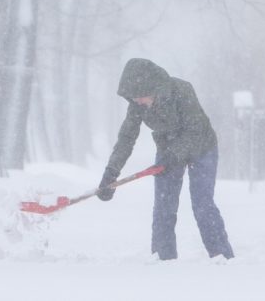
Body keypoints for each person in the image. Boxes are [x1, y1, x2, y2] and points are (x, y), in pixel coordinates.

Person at [97, 58, 234, 261]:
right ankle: (163, 260)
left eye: (140, 96)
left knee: (202, 204)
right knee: (164, 207)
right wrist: (111, 173)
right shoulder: (137, 105)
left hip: (201, 147)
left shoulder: (182, 90)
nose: (137, 102)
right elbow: (126, 138)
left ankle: (223, 257)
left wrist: (175, 155)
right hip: (167, 149)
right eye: (134, 98)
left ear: (152, 87)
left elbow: (194, 130)